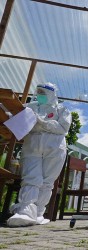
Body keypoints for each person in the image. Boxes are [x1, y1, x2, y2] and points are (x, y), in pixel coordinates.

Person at [7, 83, 71, 227]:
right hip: (32, 145)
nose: (40, 95)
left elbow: (63, 127)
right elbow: (16, 116)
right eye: (39, 92)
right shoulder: (30, 106)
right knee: (31, 177)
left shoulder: (62, 109)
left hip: (54, 148)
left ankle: (38, 213)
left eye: (44, 92)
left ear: (52, 94)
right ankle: (25, 211)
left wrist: (42, 122)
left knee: (47, 181)